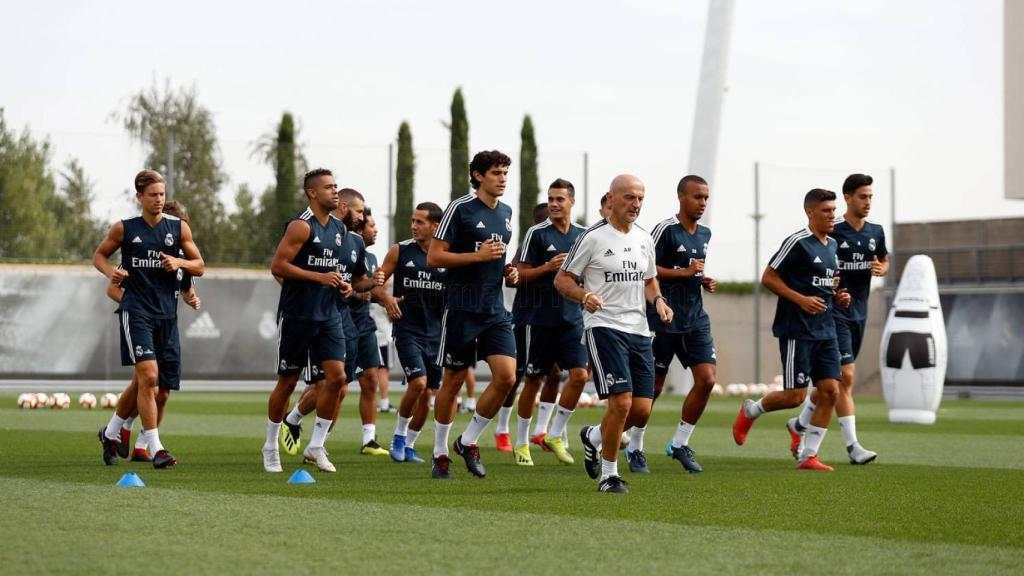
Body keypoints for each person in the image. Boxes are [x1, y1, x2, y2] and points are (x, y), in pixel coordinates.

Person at [555, 174, 673, 494]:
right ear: (611, 199)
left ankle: (593, 436)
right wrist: (583, 296)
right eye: (629, 198)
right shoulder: (592, 238)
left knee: (641, 410)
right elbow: (563, 280)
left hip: (639, 330)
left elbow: (650, 280)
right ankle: (609, 476)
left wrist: (659, 301)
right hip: (604, 326)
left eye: (640, 199)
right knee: (620, 404)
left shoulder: (644, 239)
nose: (636, 205)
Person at [732, 188, 851, 471]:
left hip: (827, 330)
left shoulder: (833, 246)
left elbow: (827, 285)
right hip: (798, 330)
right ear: (810, 213)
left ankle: (808, 455)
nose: (832, 215)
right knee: (795, 396)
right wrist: (800, 300)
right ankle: (751, 410)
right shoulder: (797, 242)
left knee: (831, 392)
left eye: (834, 210)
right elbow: (768, 277)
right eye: (826, 211)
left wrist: (839, 296)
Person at [93, 170, 205, 469]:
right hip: (136, 313)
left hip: (167, 317)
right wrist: (110, 273)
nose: (159, 199)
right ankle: (155, 448)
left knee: (158, 385)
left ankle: (112, 431)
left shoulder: (178, 229)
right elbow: (100, 256)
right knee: (150, 379)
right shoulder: (125, 229)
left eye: (162, 194)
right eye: (153, 195)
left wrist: (180, 263)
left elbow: (199, 266)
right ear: (139, 197)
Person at [427, 150, 519, 479]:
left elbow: (496, 256)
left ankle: (468, 441)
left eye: (505, 172)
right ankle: (439, 451)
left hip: (494, 309)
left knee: (507, 377)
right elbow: (435, 258)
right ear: (478, 176)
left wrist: (509, 271)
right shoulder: (460, 209)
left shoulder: (507, 212)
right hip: (461, 308)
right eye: (496, 172)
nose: (503, 178)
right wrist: (477, 257)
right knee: (451, 381)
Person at [787, 174, 888, 464]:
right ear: (847, 197)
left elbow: (884, 258)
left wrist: (882, 267)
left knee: (828, 385)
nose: (867, 202)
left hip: (859, 313)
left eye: (870, 197)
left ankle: (798, 425)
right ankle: (853, 447)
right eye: (862, 196)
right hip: (833, 314)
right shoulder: (834, 233)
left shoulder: (876, 232)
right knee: (846, 378)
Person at [261, 169, 351, 473]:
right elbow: (278, 266)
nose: (335, 191)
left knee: (337, 379)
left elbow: (330, 270)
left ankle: (316, 446)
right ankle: (271, 445)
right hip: (297, 315)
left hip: (329, 314)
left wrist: (341, 284)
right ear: (313, 193)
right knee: (287, 382)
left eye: (336, 186)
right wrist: (318, 278)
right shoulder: (301, 226)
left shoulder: (339, 228)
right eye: (328, 187)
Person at [277, 188, 375, 460]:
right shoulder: (307, 228)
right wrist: (308, 293)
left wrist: (364, 287)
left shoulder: (353, 241)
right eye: (358, 211)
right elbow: (282, 269)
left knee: (340, 386)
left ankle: (316, 445)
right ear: (343, 207)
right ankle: (292, 420)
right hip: (311, 315)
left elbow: (358, 284)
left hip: (344, 319)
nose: (362, 217)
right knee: (319, 383)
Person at [512, 180, 589, 466]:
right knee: (533, 379)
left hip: (572, 320)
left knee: (580, 376)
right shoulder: (536, 234)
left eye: (560, 199)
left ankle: (554, 434)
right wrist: (547, 267)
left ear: (571, 201)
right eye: (551, 199)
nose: (554, 204)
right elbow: (519, 276)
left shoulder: (584, 235)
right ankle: (521, 443)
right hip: (538, 320)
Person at [646, 175, 718, 474]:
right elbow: (646, 269)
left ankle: (679, 443)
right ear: (681, 197)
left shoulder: (705, 233)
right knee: (654, 387)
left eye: (705, 198)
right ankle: (633, 446)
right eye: (697, 197)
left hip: (695, 320)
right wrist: (686, 274)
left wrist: (703, 279)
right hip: (664, 319)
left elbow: (691, 272)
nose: (702, 203)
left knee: (707, 380)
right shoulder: (665, 230)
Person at [372, 202, 447, 464]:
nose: (414, 226)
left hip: (438, 335)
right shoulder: (400, 251)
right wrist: (386, 298)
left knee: (428, 396)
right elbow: (375, 284)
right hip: (407, 331)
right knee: (418, 383)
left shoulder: (447, 255)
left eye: (420, 222)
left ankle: (411, 445)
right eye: (413, 221)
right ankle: (399, 437)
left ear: (435, 226)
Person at [494, 202, 559, 453]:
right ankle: (502, 429)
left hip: (553, 320)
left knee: (554, 373)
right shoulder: (529, 245)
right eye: (545, 221)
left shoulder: (566, 244)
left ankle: (541, 430)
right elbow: (513, 280)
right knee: (518, 375)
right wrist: (543, 269)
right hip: (525, 319)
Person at [349, 208, 389, 455]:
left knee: (371, 380)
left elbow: (370, 292)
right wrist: (356, 292)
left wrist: (386, 299)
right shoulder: (344, 252)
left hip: (365, 325)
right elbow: (346, 286)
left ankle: (369, 440)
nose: (376, 230)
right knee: (336, 386)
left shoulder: (372, 259)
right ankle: (296, 420)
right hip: (342, 324)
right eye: (371, 226)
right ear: (359, 230)